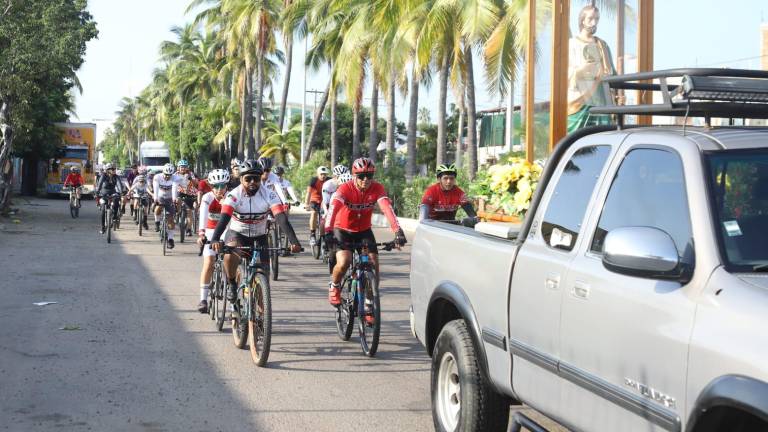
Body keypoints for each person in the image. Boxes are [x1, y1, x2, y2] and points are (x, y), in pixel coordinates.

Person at [209, 160, 302, 302]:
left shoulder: (269, 194)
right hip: (237, 234)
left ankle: (260, 317)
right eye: (248, 179)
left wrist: (294, 242)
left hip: (260, 236)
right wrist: (215, 239)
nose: (253, 182)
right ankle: (232, 283)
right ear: (241, 179)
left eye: (256, 179)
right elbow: (224, 219)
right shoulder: (233, 195)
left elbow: (281, 219)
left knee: (263, 280)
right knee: (229, 254)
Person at [324, 157, 407, 313]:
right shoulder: (344, 189)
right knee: (344, 262)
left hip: (363, 230)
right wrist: (328, 231)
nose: (365, 179)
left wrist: (398, 231)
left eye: (369, 175)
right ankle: (334, 286)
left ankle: (369, 301)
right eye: (361, 176)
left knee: (374, 263)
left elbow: (387, 208)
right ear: (354, 175)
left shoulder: (377, 188)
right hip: (342, 229)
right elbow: (332, 210)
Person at [566, 4, 617, 132]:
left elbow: (613, 73)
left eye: (597, 19)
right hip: (579, 102)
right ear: (582, 20)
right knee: (575, 140)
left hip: (601, 102)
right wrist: (583, 70)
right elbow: (566, 73)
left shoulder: (602, 45)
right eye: (590, 18)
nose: (594, 22)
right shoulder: (572, 44)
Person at [195, 169, 230, 313]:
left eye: (223, 186)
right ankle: (203, 299)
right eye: (216, 186)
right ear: (211, 186)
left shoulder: (231, 197)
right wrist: (201, 234)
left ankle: (234, 297)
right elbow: (203, 215)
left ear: (227, 186)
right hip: (210, 230)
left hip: (228, 230)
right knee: (209, 262)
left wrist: (224, 203)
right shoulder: (207, 197)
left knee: (231, 262)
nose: (219, 189)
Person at [153, 163, 179, 249]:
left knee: (171, 220)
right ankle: (157, 222)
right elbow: (156, 188)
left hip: (169, 198)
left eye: (169, 175)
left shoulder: (175, 178)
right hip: (160, 196)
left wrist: (175, 199)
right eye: (166, 175)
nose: (168, 177)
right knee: (157, 209)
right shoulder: (157, 177)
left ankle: (170, 239)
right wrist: (155, 199)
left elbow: (175, 188)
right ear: (163, 172)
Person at [94, 163, 126, 234]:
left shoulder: (116, 177)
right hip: (104, 193)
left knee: (117, 200)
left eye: (115, 169)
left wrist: (121, 192)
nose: (114, 170)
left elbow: (119, 184)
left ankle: (114, 217)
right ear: (108, 170)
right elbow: (99, 185)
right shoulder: (103, 176)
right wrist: (97, 192)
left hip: (113, 192)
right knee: (103, 210)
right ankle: (102, 228)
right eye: (113, 169)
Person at [305, 166, 330, 243]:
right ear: (318, 174)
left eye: (325, 174)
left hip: (325, 201)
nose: (323, 176)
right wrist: (307, 204)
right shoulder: (313, 180)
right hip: (315, 200)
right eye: (321, 174)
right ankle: (312, 234)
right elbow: (308, 193)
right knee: (313, 213)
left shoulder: (329, 180)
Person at [175, 159, 198, 237]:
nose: (183, 168)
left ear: (187, 168)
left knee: (189, 212)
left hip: (189, 193)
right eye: (181, 167)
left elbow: (195, 184)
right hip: (180, 192)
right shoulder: (175, 174)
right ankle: (177, 213)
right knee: (177, 200)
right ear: (178, 167)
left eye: (184, 167)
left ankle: (188, 229)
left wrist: (190, 179)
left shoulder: (190, 174)